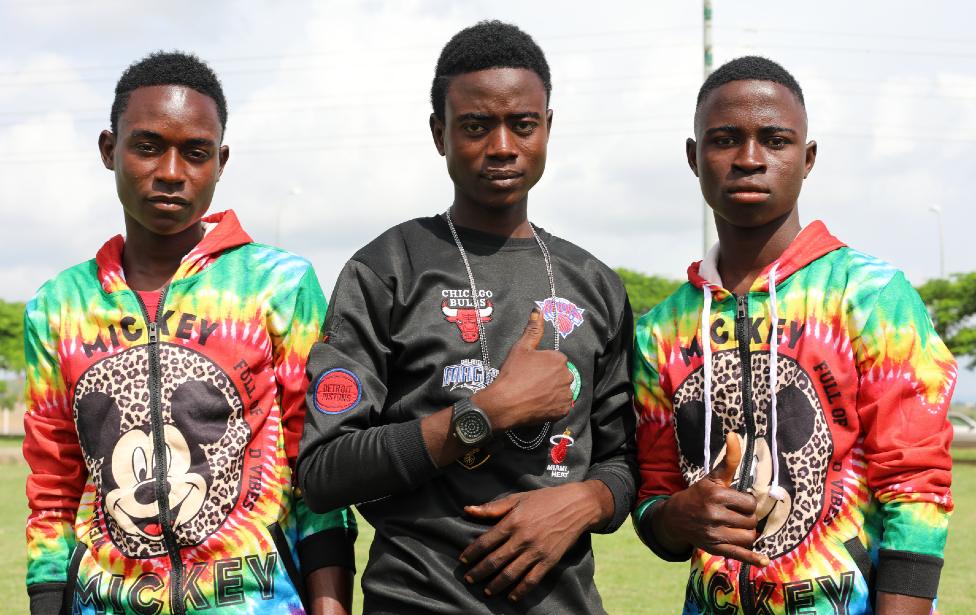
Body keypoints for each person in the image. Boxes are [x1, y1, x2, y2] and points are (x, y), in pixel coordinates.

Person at [297, 20, 636, 615]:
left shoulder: (597, 285)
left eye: (522, 124)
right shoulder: (387, 271)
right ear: (439, 134)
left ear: (548, 128)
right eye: (476, 126)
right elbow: (324, 472)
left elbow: (624, 460)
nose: (502, 146)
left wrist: (585, 501)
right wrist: (484, 414)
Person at [22, 51, 356, 615]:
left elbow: (315, 467)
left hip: (259, 603)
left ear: (220, 162)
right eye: (148, 146)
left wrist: (331, 606)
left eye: (196, 153)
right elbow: (52, 485)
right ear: (110, 150)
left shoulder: (277, 284)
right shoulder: (59, 306)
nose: (172, 172)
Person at [632, 55, 955, 614]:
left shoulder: (869, 295)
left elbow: (916, 480)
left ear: (807, 160)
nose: (750, 160)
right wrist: (674, 515)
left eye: (775, 140)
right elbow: (656, 499)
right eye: (725, 139)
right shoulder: (660, 331)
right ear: (694, 158)